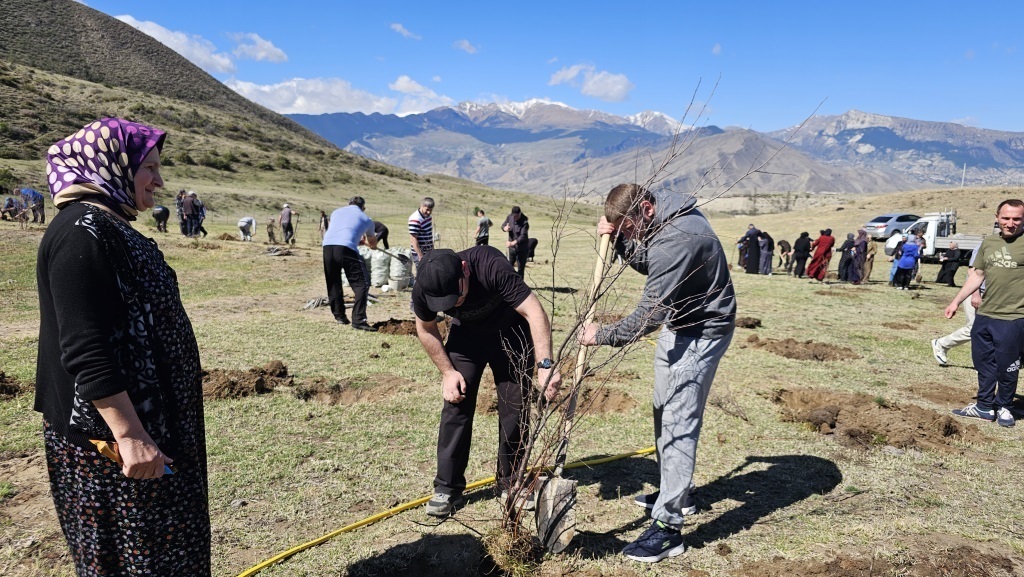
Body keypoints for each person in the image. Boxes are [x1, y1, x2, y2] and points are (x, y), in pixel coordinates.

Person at [35, 118, 210, 574]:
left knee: (167, 551)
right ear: (109, 166)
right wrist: (130, 434)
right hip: (116, 445)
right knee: (139, 559)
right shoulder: (81, 230)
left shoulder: (109, 226)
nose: (159, 179)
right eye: (148, 167)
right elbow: (84, 345)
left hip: (152, 430)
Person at [579, 183, 735, 563]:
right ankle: (676, 490)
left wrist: (601, 335)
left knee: (679, 423)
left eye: (629, 229)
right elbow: (646, 261)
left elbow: (648, 314)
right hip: (679, 325)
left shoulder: (679, 238)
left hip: (703, 332)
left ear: (646, 210)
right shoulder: (660, 216)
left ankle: (668, 529)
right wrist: (617, 239)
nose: (629, 237)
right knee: (663, 409)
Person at [413, 247, 562, 517]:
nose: (453, 304)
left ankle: (510, 481)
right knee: (455, 402)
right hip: (467, 338)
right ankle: (447, 487)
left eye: (455, 295)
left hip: (511, 333)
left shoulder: (491, 266)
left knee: (514, 407)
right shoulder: (426, 283)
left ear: (465, 270)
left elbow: (534, 312)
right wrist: (448, 372)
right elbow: (425, 328)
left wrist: (545, 364)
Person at [947, 199, 1024, 428]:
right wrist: (956, 301)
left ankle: (1005, 407)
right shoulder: (988, 243)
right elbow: (977, 275)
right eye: (1006, 218)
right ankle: (983, 406)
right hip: (985, 315)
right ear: (997, 217)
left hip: (1013, 317)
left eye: (1017, 219)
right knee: (984, 363)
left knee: (1008, 366)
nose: (1010, 223)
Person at [323, 196, 378, 331]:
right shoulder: (367, 219)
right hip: (346, 248)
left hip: (327, 246)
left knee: (333, 282)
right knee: (362, 283)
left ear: (348, 204)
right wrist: (372, 245)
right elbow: (372, 243)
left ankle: (340, 316)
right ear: (363, 208)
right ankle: (359, 320)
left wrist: (354, 239)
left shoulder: (336, 212)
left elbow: (339, 230)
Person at [932, 249, 981, 366]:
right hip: (975, 293)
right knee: (973, 328)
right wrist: (976, 293)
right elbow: (972, 271)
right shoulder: (985, 245)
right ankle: (942, 344)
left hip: (995, 295)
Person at [409, 197, 435, 274]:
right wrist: (420, 255)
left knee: (429, 273)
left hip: (428, 251)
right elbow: (413, 239)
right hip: (420, 252)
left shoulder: (428, 217)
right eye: (427, 209)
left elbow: (429, 235)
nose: (429, 212)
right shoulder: (415, 219)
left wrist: (432, 249)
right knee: (421, 274)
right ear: (421, 206)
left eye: (431, 210)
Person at [502, 206, 530, 277]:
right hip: (512, 249)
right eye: (513, 216)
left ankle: (520, 286)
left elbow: (523, 236)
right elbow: (503, 225)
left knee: (520, 269)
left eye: (516, 216)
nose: (514, 218)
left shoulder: (525, 222)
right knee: (509, 267)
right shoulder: (509, 217)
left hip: (522, 249)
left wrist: (512, 243)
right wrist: (504, 228)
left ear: (520, 213)